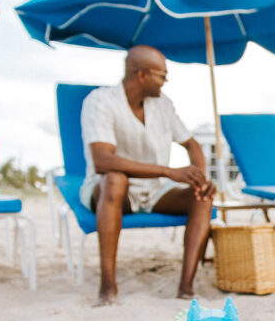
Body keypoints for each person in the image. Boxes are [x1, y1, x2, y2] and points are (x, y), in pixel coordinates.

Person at [80, 45, 216, 306]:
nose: (166, 80)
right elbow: (102, 161)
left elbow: (192, 144)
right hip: (112, 192)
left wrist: (200, 177)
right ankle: (108, 288)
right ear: (141, 75)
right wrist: (168, 171)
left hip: (156, 190)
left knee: (202, 196)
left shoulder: (163, 104)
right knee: (114, 178)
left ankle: (186, 288)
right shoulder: (100, 101)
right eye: (161, 75)